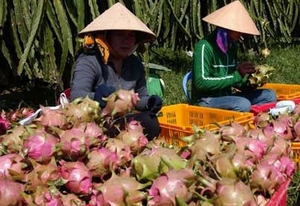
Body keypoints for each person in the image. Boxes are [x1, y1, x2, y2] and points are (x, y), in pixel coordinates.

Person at [70, 3, 162, 140]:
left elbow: (140, 97)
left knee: (150, 121)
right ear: (106, 37)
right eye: (120, 35)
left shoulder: (134, 64)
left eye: (131, 36)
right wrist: (97, 98)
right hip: (95, 122)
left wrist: (149, 102)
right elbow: (76, 96)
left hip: (124, 119)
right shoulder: (89, 61)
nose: (127, 41)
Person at [191, 0, 277, 112]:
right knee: (243, 104)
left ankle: (249, 119)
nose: (241, 33)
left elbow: (232, 80)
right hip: (207, 100)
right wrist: (237, 75)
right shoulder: (204, 47)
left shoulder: (231, 46)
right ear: (226, 28)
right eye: (237, 29)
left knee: (270, 95)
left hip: (227, 96)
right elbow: (200, 83)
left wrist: (249, 82)